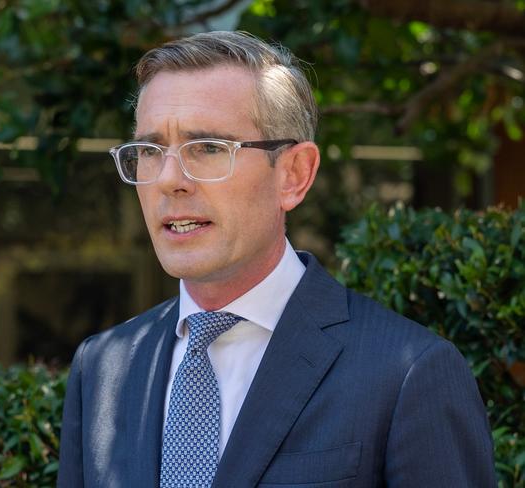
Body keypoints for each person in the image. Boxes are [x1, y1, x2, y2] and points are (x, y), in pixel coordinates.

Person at [57, 31, 495, 487]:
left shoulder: (408, 373)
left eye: (208, 148)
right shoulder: (102, 367)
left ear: (294, 174)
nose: (170, 180)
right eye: (150, 151)